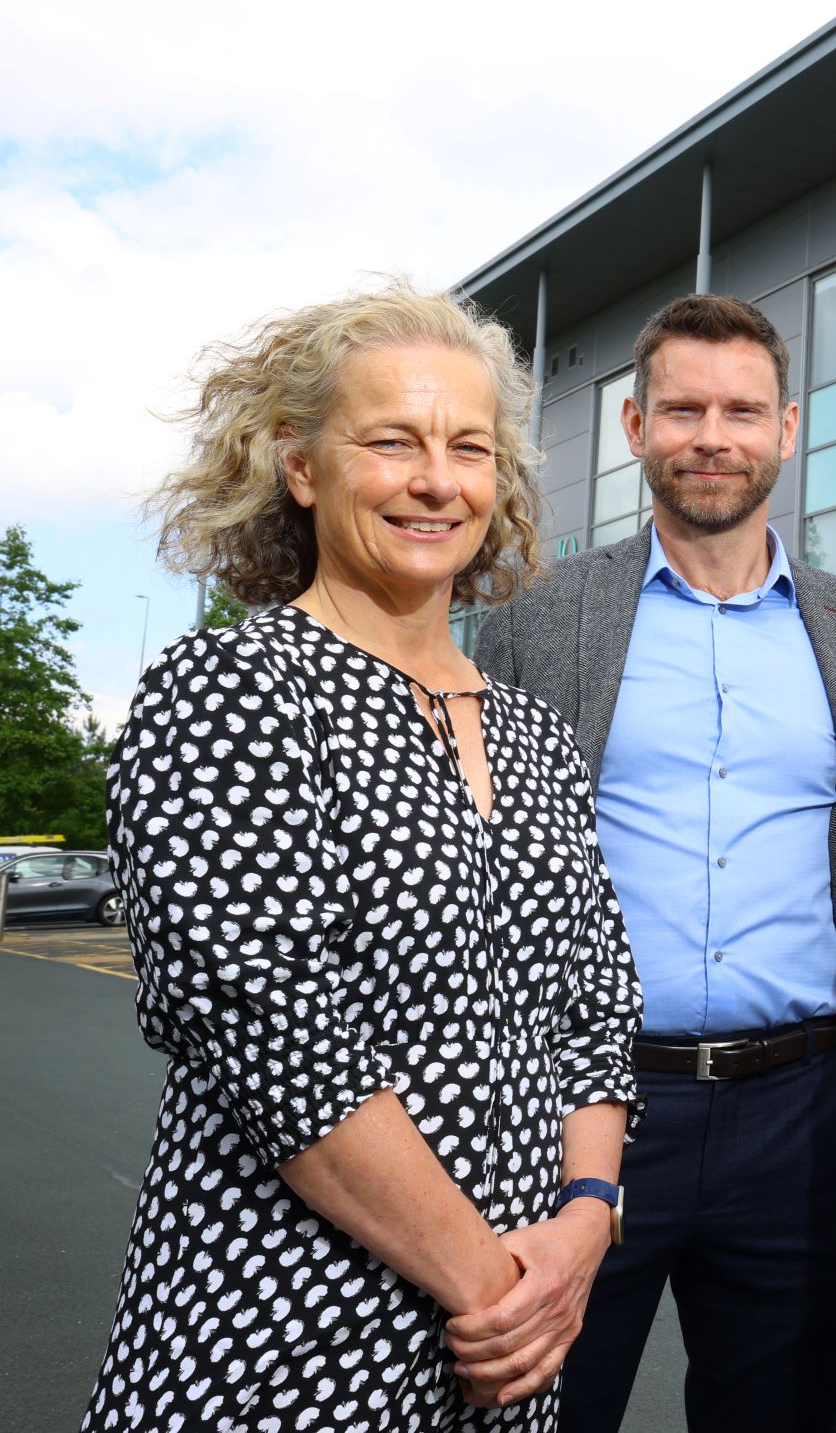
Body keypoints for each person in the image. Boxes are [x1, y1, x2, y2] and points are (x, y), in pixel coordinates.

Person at [88, 285, 642, 1431]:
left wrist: (587, 1218)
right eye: (390, 440)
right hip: (284, 1340)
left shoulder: (534, 733)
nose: (436, 479)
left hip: (505, 1357)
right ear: (299, 465)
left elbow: (596, 1006)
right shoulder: (231, 695)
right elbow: (282, 1040)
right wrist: (503, 1291)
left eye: (468, 447)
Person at [471, 293, 836, 1433]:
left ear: (788, 426)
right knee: (541, 1410)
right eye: (683, 409)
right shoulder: (536, 617)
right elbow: (483, 865)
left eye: (740, 409)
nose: (712, 434)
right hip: (581, 1113)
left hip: (805, 1117)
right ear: (635, 427)